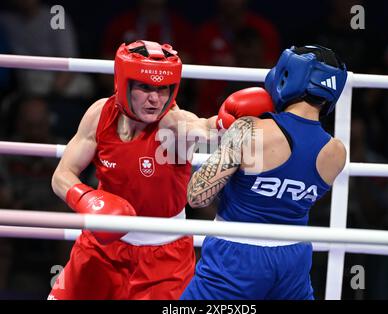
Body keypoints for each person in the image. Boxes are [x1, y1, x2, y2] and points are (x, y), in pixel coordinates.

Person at [48, 39, 272, 300]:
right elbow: (61, 175)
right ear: (123, 84)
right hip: (100, 247)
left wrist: (230, 125)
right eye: (144, 87)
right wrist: (87, 199)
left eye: (164, 89)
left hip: (163, 259)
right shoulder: (100, 114)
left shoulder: (173, 124)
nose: (155, 99)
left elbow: (203, 128)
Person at [181, 45, 348, 300]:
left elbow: (197, 196)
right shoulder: (337, 152)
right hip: (294, 257)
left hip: (236, 255)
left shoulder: (249, 129)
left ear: (287, 75)